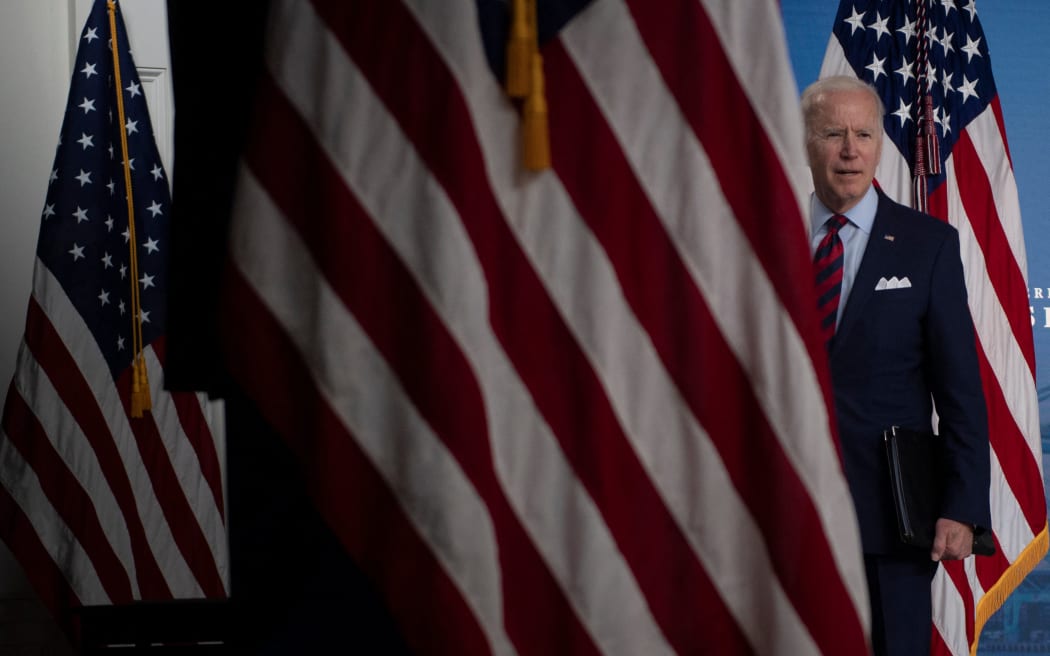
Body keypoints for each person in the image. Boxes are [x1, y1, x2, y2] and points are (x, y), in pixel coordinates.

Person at [801, 75, 991, 655]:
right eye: (834, 133)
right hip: (786, 508)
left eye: (864, 133)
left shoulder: (926, 244)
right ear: (807, 141)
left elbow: (959, 389)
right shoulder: (764, 234)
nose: (851, 150)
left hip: (893, 523)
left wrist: (962, 507)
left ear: (881, 141)